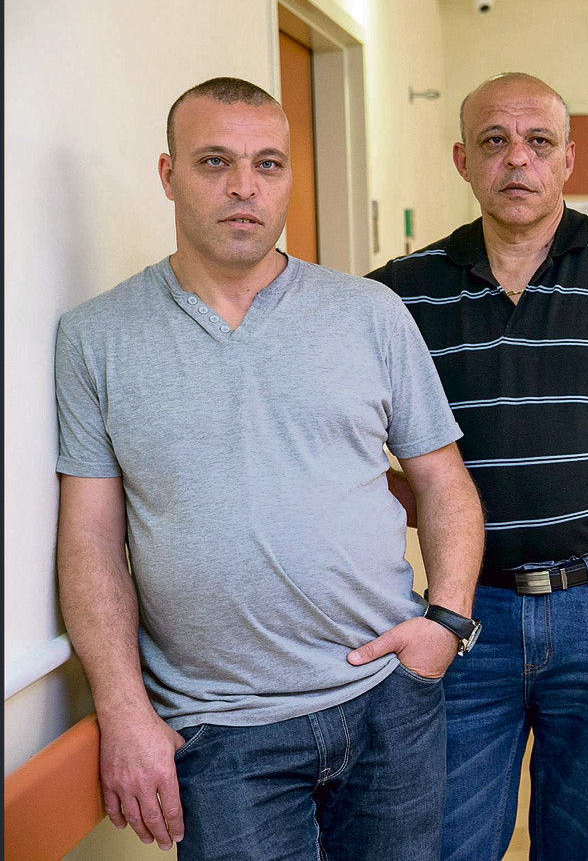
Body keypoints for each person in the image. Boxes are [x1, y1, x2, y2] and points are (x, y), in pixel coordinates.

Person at [54, 76, 485, 860]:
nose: (243, 187)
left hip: (386, 701)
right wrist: (122, 709)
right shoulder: (97, 336)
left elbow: (442, 480)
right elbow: (89, 537)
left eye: (268, 164)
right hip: (220, 732)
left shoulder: (368, 313)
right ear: (168, 174)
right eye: (214, 161)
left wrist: (446, 625)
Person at [366, 72, 588, 861]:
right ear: (463, 159)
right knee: (450, 842)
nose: (516, 161)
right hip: (467, 616)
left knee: (586, 845)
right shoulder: (399, 295)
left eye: (538, 143)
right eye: (495, 142)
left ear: (568, 159)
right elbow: (347, 456)